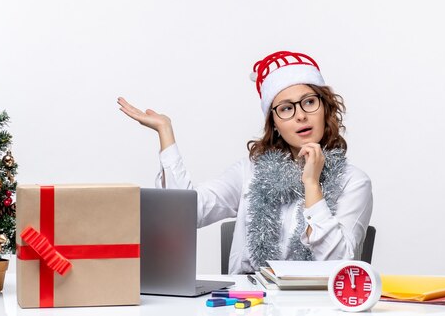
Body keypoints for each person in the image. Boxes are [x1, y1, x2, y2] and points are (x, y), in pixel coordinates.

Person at [118, 50, 373, 274]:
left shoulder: (354, 181)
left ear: (325, 108)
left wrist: (312, 186)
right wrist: (165, 132)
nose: (301, 116)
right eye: (286, 108)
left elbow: (340, 265)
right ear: (274, 123)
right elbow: (181, 215)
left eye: (309, 102)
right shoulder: (249, 172)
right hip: (248, 305)